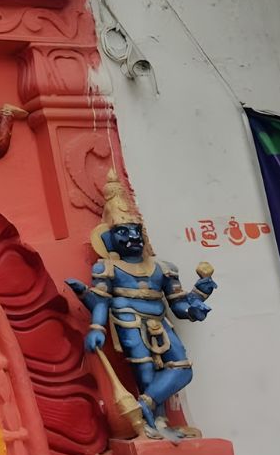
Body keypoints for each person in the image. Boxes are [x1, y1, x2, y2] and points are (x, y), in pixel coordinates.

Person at [66, 172, 217, 439]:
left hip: (161, 320)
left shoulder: (164, 268)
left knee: (182, 368)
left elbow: (179, 306)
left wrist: (198, 298)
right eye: (123, 232)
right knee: (146, 373)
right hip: (129, 321)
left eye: (136, 232)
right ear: (110, 240)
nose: (132, 238)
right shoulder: (108, 267)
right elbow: (101, 300)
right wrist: (97, 327)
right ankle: (158, 425)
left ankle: (143, 405)